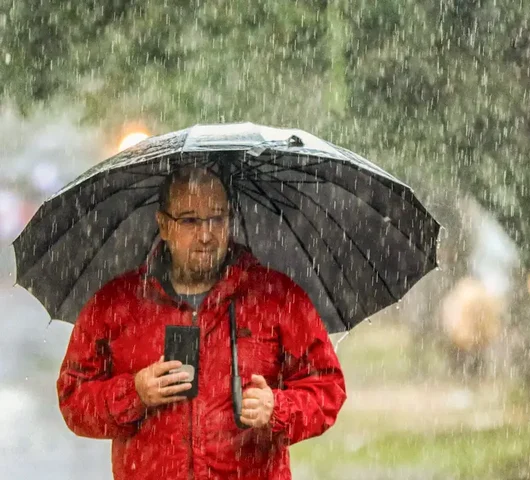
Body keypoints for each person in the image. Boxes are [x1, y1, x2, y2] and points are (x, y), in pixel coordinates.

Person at [56, 167, 347, 480]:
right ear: (164, 225)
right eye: (190, 220)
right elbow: (74, 398)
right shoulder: (116, 303)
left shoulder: (275, 297)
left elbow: (327, 387)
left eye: (217, 218)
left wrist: (278, 407)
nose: (206, 235)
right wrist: (134, 393)